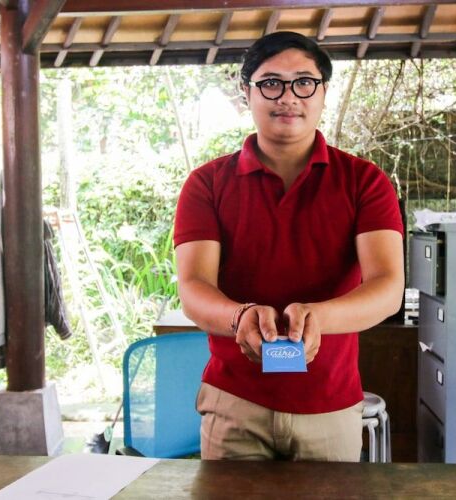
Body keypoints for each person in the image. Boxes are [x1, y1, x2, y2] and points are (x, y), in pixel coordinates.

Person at [174, 31, 404, 462]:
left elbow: (388, 287)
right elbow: (193, 287)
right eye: (270, 83)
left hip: (330, 404)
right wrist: (239, 316)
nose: (288, 97)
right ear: (247, 92)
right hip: (234, 403)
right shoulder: (206, 184)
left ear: (323, 92)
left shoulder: (365, 182)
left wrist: (318, 317)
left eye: (303, 82)